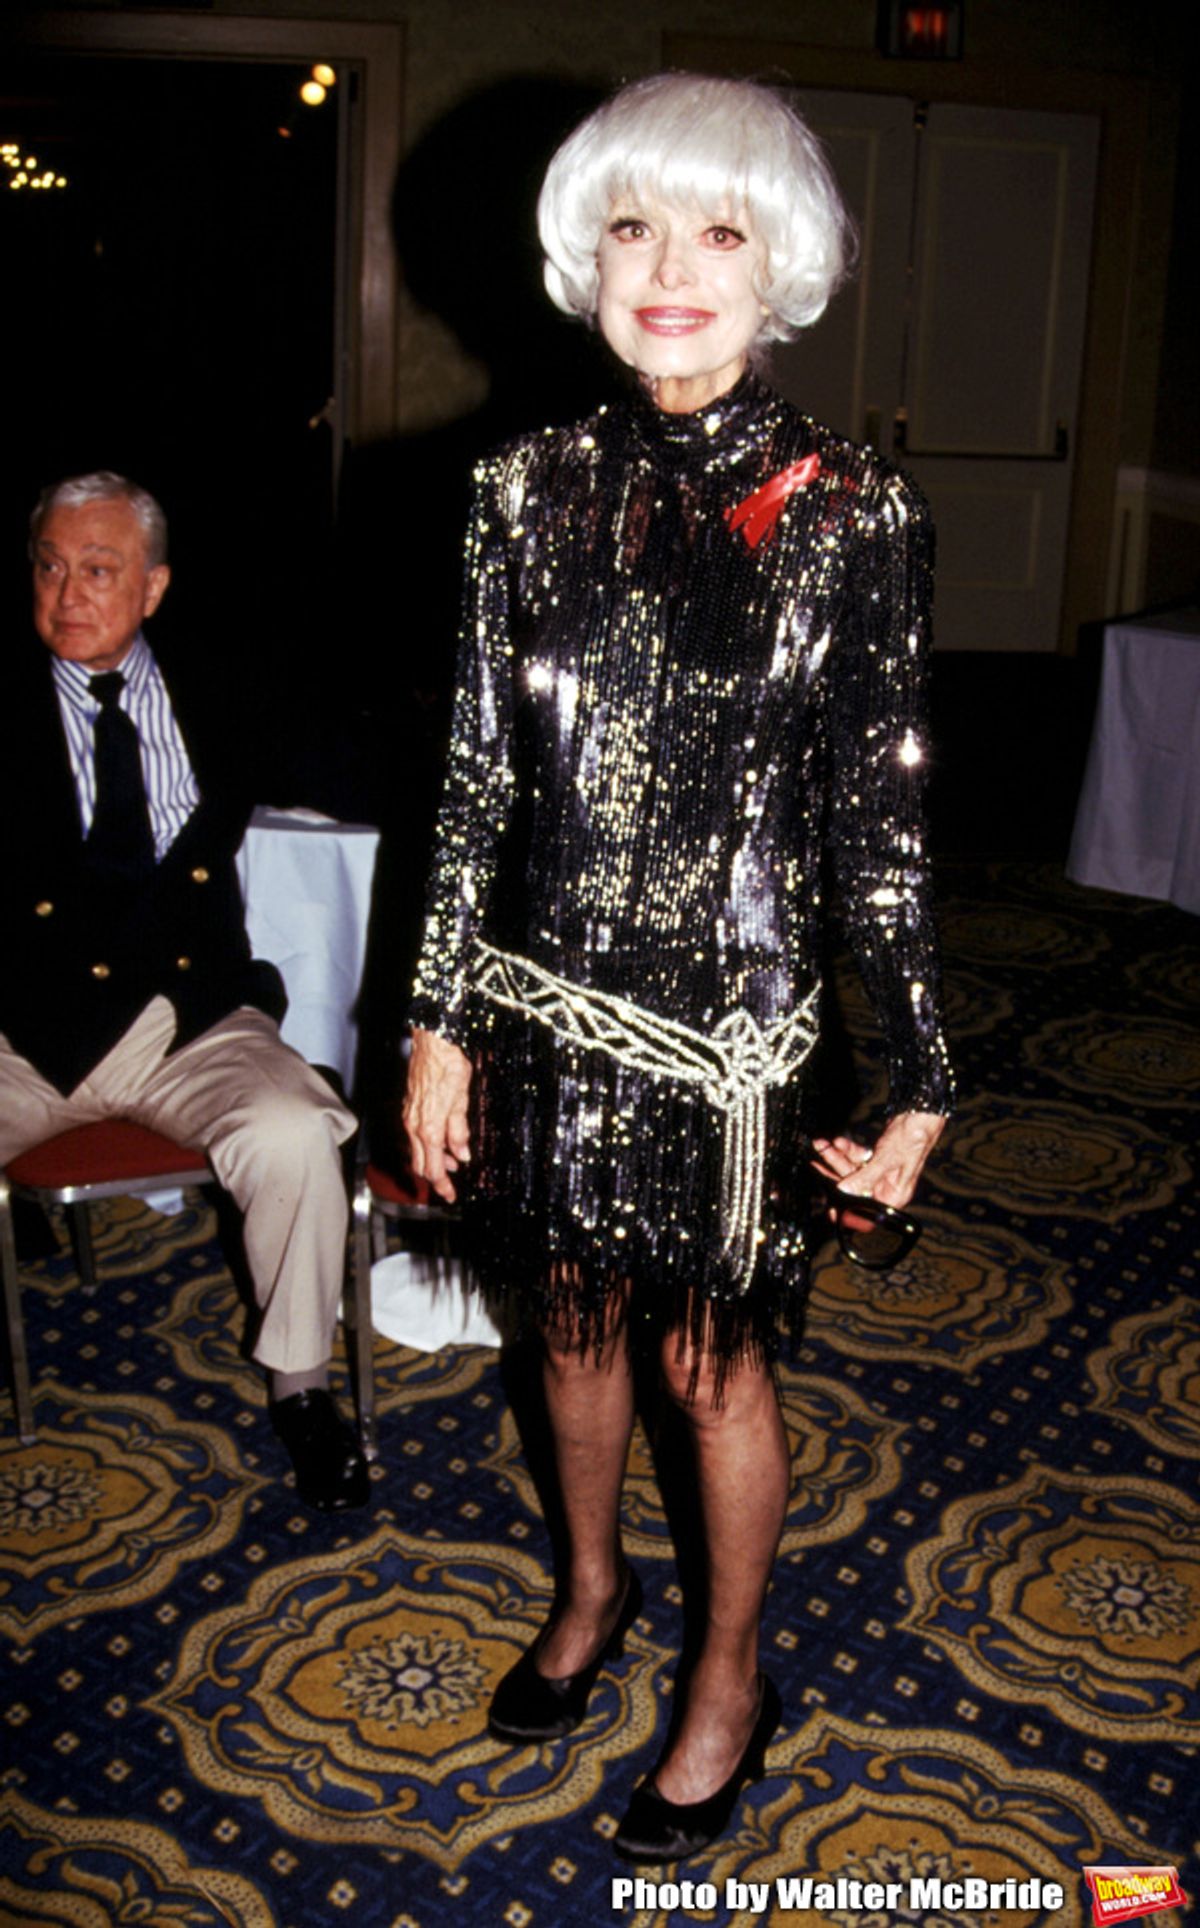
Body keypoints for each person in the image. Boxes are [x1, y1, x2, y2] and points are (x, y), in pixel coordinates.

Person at [404, 73, 953, 1860]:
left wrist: (924, 1075)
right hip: (548, 1012)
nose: (670, 267)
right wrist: (433, 1024)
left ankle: (730, 1671)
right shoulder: (517, 491)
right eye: (635, 223)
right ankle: (588, 1588)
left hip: (730, 1040)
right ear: (589, 251)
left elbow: (879, 822)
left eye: (718, 228)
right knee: (566, 1332)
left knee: (710, 1364)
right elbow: (477, 782)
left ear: (776, 260)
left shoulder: (852, 513)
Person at [1, 471, 368, 1512]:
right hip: (27, 1031)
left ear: (154, 587)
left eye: (100, 570)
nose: (69, 593)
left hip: (188, 1021)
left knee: (298, 1129)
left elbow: (343, 761)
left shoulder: (223, 685)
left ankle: (300, 1386)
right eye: (51, 567)